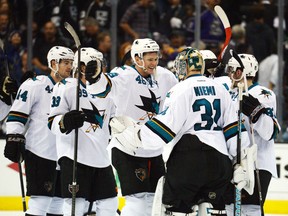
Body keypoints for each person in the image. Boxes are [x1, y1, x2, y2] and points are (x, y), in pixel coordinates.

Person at [109, 47, 252, 215]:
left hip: (188, 160)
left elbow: (165, 129)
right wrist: (238, 161)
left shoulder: (181, 89)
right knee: (212, 207)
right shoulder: (221, 90)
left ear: (183, 67)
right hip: (219, 162)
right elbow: (234, 131)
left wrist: (137, 136)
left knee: (177, 208)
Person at [85, 38, 178, 216]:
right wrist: (95, 77)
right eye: (149, 59)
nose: (154, 63)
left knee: (154, 201)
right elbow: (102, 88)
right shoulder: (123, 75)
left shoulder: (165, 76)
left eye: (156, 58)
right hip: (128, 148)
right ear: (137, 58)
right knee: (136, 202)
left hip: (154, 149)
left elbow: (182, 94)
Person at [4, 46, 74, 216]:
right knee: (39, 204)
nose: (70, 67)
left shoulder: (74, 89)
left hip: (64, 155)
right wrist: (14, 138)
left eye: (72, 63)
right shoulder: (35, 85)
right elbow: (18, 114)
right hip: (39, 152)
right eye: (65, 62)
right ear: (52, 63)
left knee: (57, 205)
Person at [48, 47, 118, 216]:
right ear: (81, 66)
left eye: (99, 65)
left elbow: (112, 120)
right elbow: (52, 122)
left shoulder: (107, 90)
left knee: (110, 205)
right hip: (74, 157)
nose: (98, 69)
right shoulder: (65, 86)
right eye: (93, 65)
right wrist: (65, 121)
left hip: (101, 158)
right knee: (75, 207)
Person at [225, 53, 280, 216]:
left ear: (239, 71)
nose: (229, 73)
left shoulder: (263, 94)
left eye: (232, 70)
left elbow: (270, 132)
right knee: (230, 209)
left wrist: (256, 113)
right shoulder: (230, 93)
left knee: (250, 210)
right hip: (234, 164)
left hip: (257, 165)